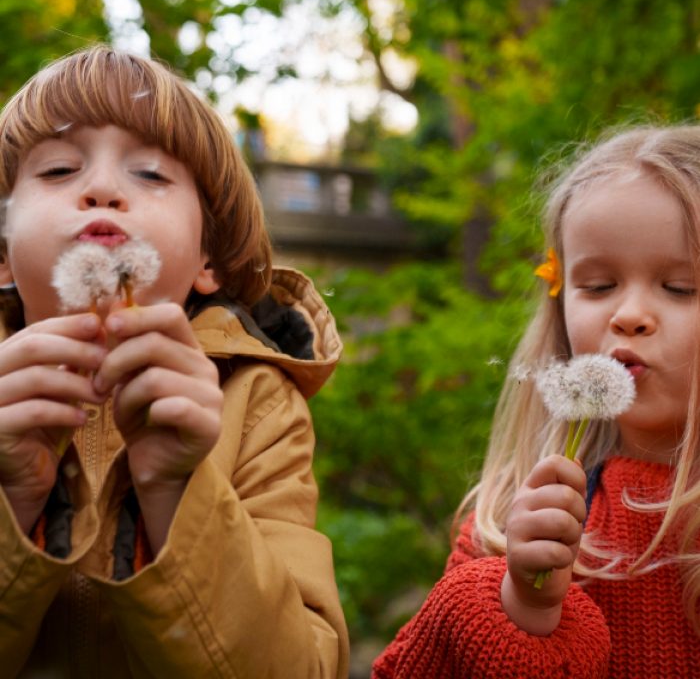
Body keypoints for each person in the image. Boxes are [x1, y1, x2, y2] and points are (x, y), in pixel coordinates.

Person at [0, 45, 348, 677]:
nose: (101, 188)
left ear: (207, 260)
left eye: (151, 175)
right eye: (56, 171)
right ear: (2, 250)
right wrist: (14, 496)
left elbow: (304, 667)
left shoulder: (258, 403)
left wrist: (177, 491)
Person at [372, 125, 700, 678]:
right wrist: (521, 603)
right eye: (597, 286)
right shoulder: (511, 519)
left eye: (681, 287)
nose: (629, 315)